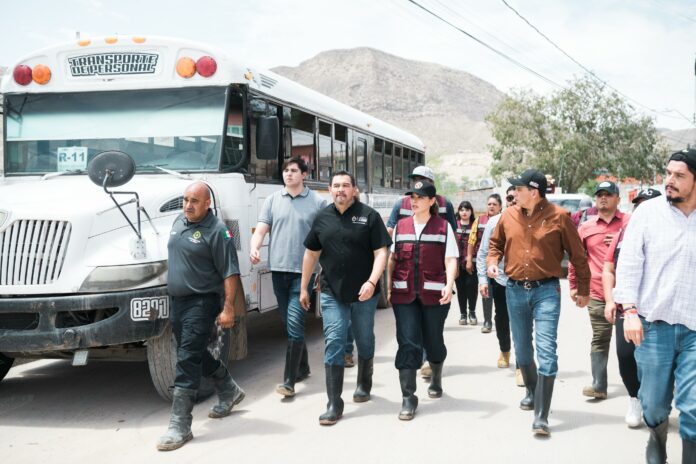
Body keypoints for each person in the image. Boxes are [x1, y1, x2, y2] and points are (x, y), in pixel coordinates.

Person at [488, 169, 590, 436]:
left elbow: (578, 255)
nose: (513, 193)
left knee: (546, 352)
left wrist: (583, 288)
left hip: (546, 291)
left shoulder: (560, 217)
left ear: (533, 192)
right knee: (522, 352)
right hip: (514, 291)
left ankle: (541, 416)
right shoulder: (508, 215)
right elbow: (495, 244)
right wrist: (492, 262)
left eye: (518, 189)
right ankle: (533, 392)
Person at [615, 149, 696, 464]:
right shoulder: (648, 213)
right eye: (668, 173)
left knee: (693, 407)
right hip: (653, 327)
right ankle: (657, 436)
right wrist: (629, 311)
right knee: (653, 405)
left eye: (679, 175)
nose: (670, 180)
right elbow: (629, 264)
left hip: (694, 329)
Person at [158, 181, 245, 451]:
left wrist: (228, 307)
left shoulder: (218, 231)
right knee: (191, 351)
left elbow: (230, 271)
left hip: (203, 301)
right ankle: (228, 389)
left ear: (208, 204)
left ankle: (180, 425)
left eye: (194, 201)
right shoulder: (178, 221)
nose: (187, 205)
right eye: (185, 200)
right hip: (178, 301)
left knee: (186, 358)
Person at [300, 171, 391, 426]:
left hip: (364, 293)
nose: (341, 189)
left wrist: (372, 282)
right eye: (336, 185)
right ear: (330, 189)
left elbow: (381, 252)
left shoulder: (369, 216)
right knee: (334, 341)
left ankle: (364, 382)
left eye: (346, 185)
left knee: (364, 338)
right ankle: (334, 403)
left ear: (354, 190)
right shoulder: (322, 218)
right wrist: (304, 288)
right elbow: (311, 254)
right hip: (332, 292)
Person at [249, 157, 327, 398]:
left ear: (304, 174)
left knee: (294, 323)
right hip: (278, 271)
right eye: (285, 170)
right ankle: (303, 367)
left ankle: (289, 381)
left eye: (293, 170)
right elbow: (261, 229)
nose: (288, 174)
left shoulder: (318, 202)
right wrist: (255, 247)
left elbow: (326, 235)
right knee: (290, 322)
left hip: (303, 274)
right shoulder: (273, 200)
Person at [388, 181, 458, 420]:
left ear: (432, 201)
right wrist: (387, 286)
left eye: (420, 197)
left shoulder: (443, 227)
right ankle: (408, 397)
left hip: (434, 295)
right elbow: (392, 259)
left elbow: (451, 259)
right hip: (404, 294)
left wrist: (449, 284)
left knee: (433, 341)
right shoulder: (401, 226)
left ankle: (436, 376)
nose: (414, 201)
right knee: (407, 342)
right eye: (412, 197)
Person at [602, 187, 662, 428]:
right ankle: (634, 398)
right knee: (626, 356)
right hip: (626, 307)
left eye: (647, 204)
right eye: (638, 204)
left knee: (656, 361)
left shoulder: (670, 233)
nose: (641, 209)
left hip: (657, 310)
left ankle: (655, 401)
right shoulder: (623, 234)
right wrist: (609, 300)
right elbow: (608, 269)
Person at [568, 181, 628, 401]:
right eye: (600, 194)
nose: (603, 198)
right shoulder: (586, 227)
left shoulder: (629, 223)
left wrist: (621, 240)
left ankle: (638, 387)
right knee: (600, 337)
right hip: (596, 292)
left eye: (608, 194)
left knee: (629, 343)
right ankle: (599, 385)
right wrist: (574, 285)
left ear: (618, 199)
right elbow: (576, 258)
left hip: (628, 294)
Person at [476, 191, 516, 372]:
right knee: (502, 318)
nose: (513, 201)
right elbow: (483, 252)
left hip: (524, 281)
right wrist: (483, 280)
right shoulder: (494, 222)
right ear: (505, 201)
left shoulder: (531, 221)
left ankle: (523, 361)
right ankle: (505, 351)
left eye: (517, 196)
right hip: (501, 280)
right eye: (509, 198)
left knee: (523, 321)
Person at [468, 194, 503, 330]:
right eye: (489, 204)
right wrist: (469, 259)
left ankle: (502, 321)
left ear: (500, 206)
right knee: (486, 290)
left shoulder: (505, 219)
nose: (491, 206)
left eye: (494, 204)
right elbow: (472, 240)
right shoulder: (480, 220)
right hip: (485, 261)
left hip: (501, 264)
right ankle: (487, 321)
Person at [454, 200, 478, 326]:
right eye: (462, 210)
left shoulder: (475, 224)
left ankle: (472, 312)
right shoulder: (454, 225)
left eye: (467, 210)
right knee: (461, 289)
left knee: (472, 288)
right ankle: (463, 313)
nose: (464, 212)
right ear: (458, 211)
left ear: (471, 211)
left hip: (472, 263)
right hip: (457, 264)